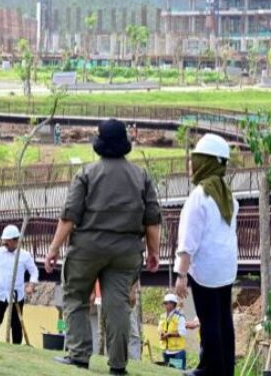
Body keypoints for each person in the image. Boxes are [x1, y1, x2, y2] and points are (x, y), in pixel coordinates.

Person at [44, 118, 162, 375]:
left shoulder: (87, 174)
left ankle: (78, 356)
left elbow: (69, 217)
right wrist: (154, 252)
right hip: (126, 251)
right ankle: (118, 365)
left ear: (99, 142)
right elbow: (152, 220)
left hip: (87, 248)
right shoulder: (141, 176)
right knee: (117, 305)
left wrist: (53, 249)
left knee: (75, 296)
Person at [174, 133, 239, 376]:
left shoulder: (200, 197)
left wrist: (181, 274)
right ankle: (222, 368)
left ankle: (210, 369)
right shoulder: (228, 195)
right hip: (225, 270)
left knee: (209, 321)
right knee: (223, 321)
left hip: (205, 270)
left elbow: (188, 241)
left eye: (195, 160)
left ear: (207, 162)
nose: (191, 165)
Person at [0, 225, 39, 344]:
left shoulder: (24, 255)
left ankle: (16, 347)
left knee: (16, 324)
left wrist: (31, 285)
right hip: (0, 294)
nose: (5, 243)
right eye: (4, 241)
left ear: (15, 240)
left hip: (17, 295)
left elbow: (34, 271)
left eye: (7, 241)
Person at [158, 293, 188, 370]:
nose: (164, 305)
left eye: (166, 303)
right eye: (164, 303)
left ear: (172, 304)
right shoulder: (162, 316)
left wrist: (168, 334)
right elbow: (160, 329)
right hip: (166, 351)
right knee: (168, 373)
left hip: (177, 352)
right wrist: (161, 334)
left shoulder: (180, 317)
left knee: (176, 373)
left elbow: (182, 332)